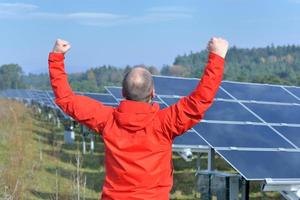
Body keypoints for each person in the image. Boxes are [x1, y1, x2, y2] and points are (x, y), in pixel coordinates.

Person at [48, 37, 228, 200]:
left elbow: (66, 100)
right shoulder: (164, 123)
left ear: (122, 92)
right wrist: (217, 57)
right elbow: (199, 101)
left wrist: (57, 57)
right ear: (153, 93)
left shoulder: (106, 119)